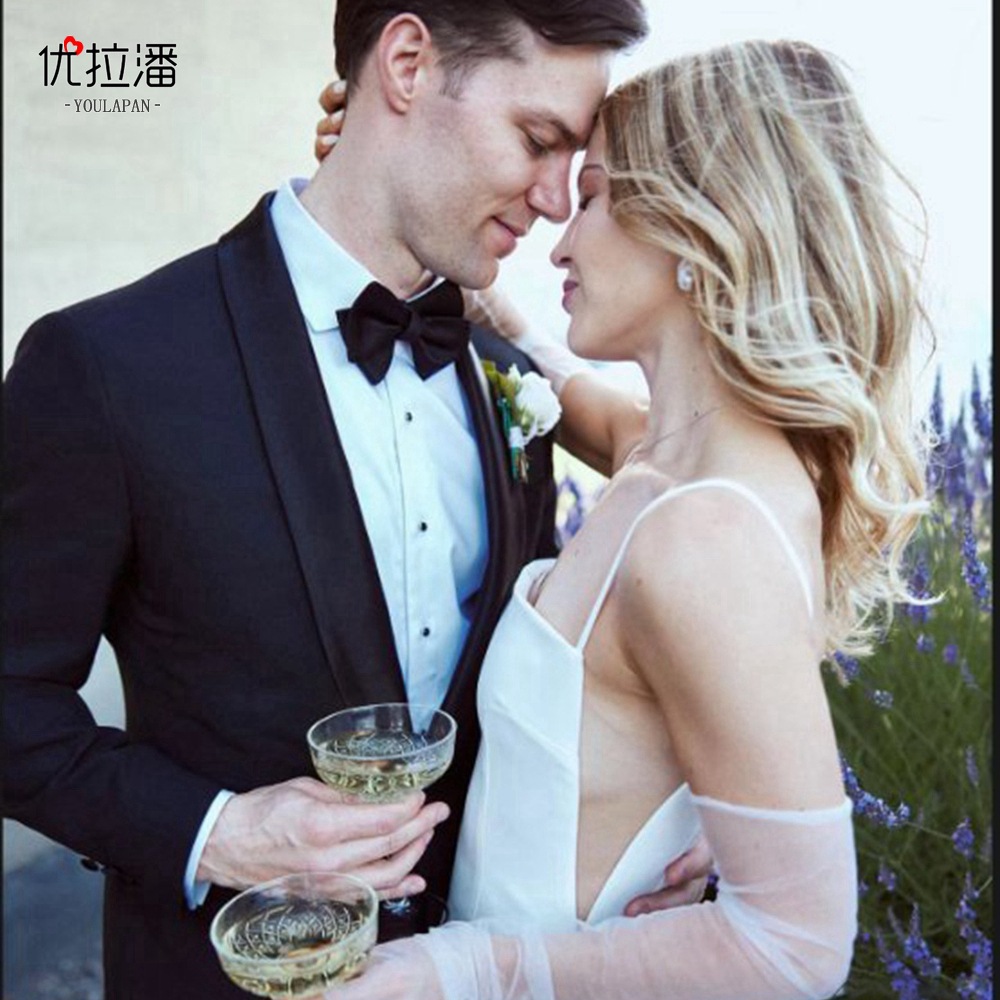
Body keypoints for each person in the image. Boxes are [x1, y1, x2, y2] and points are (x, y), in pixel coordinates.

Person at [2, 4, 717, 998]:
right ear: (409, 62)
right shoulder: (107, 365)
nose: (558, 201)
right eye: (537, 139)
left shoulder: (506, 372)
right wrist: (217, 831)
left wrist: (695, 804)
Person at [315, 37, 929, 999]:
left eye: (593, 196)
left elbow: (798, 948)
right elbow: (583, 406)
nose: (559, 238)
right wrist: (418, 204)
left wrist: (463, 966)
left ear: (699, 231)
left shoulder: (704, 534)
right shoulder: (675, 457)